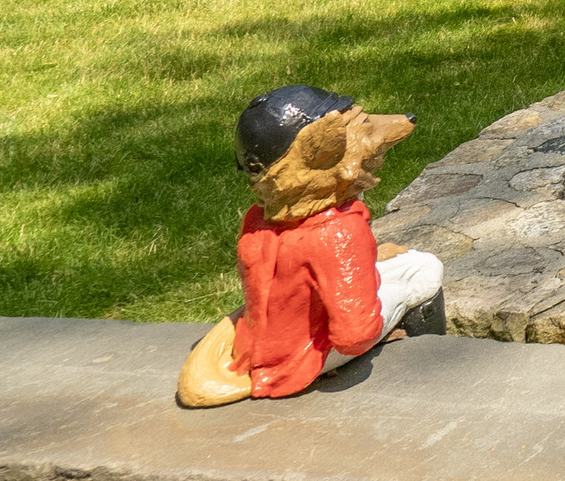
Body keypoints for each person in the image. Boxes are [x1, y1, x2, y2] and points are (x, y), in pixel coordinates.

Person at [175, 84, 445, 408]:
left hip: (260, 348)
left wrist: (366, 263)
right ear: (329, 155)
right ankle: (422, 369)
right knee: (424, 269)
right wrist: (384, 296)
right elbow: (354, 333)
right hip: (301, 361)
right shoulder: (339, 230)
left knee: (390, 262)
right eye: (361, 126)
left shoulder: (258, 221)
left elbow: (290, 281)